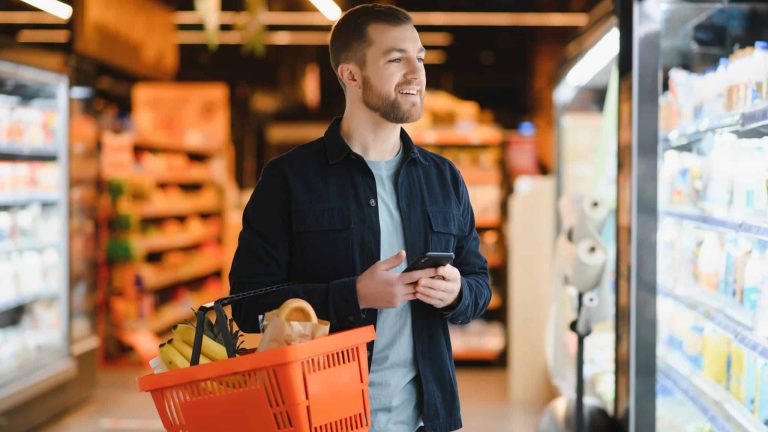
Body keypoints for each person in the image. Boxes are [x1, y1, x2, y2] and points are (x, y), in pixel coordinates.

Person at [229, 4, 490, 432]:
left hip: (424, 420)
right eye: (396, 59)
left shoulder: (444, 178)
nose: (416, 73)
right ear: (350, 75)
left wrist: (459, 292)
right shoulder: (288, 180)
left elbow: (479, 285)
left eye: (419, 58)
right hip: (318, 416)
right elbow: (245, 306)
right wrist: (353, 295)